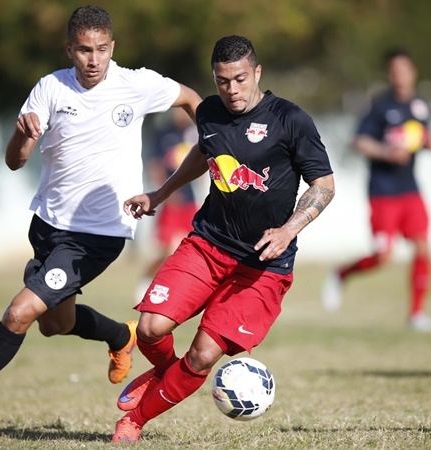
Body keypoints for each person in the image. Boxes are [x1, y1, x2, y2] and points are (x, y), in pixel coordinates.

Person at [0, 5, 202, 438]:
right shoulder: (50, 89)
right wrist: (22, 136)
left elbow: (191, 98)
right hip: (48, 226)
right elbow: (14, 160)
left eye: (101, 49)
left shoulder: (135, 84)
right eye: (84, 50)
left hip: (98, 235)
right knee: (54, 324)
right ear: (69, 49)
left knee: (19, 314)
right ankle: (121, 336)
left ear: (112, 47)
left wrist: (216, 140)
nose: (94, 59)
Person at [111, 35, 335, 443]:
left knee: (201, 355)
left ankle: (135, 421)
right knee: (149, 329)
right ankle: (163, 372)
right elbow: (204, 151)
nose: (231, 90)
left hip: (262, 267)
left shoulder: (291, 119)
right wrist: (159, 194)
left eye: (240, 79)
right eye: (222, 81)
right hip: (208, 244)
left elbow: (324, 185)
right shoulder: (210, 113)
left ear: (257, 73)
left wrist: (289, 230)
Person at [320, 48, 431, 332]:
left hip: (410, 189)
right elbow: (359, 141)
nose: (400, 76)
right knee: (383, 256)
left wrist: (429, 142)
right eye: (394, 71)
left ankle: (417, 314)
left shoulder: (421, 106)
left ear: (413, 73)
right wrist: (386, 152)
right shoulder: (380, 107)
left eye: (404, 70)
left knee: (422, 246)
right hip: (383, 191)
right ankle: (341, 274)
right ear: (390, 74)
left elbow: (423, 137)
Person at [135, 108, 200, 302]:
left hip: (190, 201)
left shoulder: (193, 133)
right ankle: (145, 281)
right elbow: (155, 166)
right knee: (166, 250)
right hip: (172, 201)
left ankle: (180, 290)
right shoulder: (163, 134)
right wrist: (165, 193)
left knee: (192, 248)